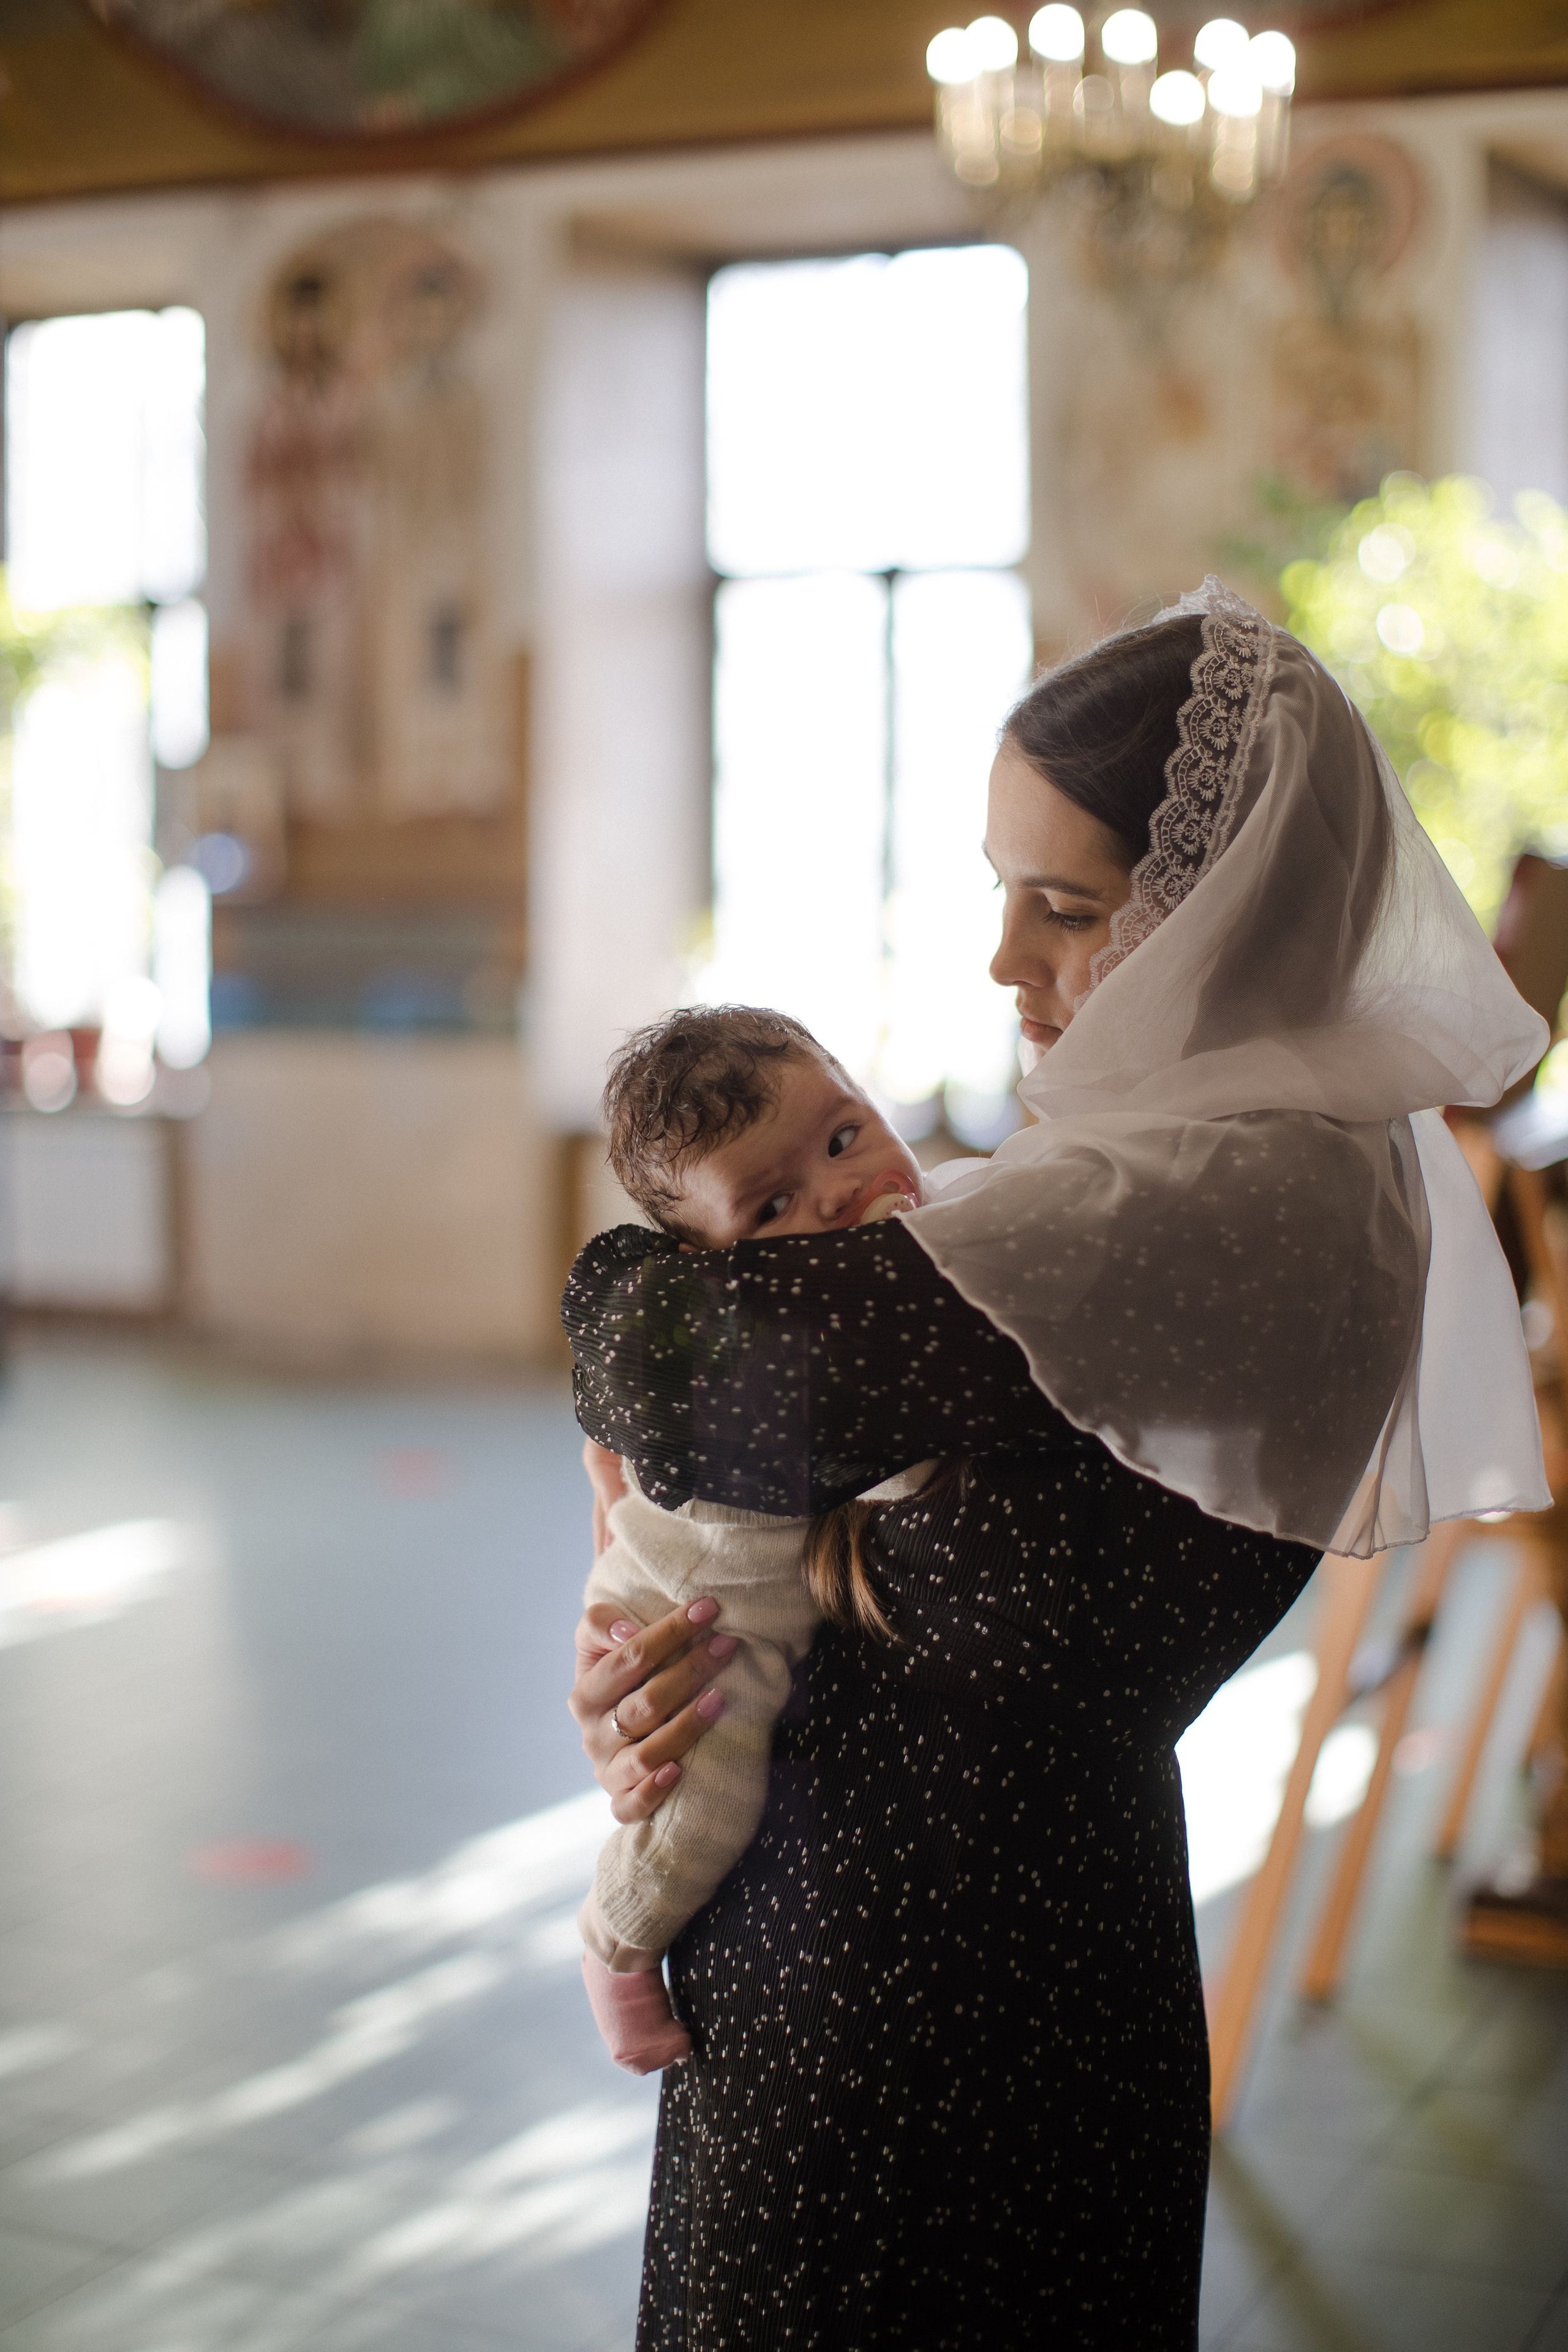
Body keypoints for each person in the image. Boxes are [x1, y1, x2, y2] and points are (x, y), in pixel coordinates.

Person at [564, 581, 1548, 2351]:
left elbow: (654, 1353)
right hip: (955, 1977)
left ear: (1226, 911)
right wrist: (671, 1610)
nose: (1006, 963)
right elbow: (724, 1437)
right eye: (1000, 894)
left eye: (1067, 909)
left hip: (925, 2041)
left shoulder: (1186, 1200)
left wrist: (705, 1547)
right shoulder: (1219, 1158)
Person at [579, 1005, 930, 2075]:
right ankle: (614, 1940)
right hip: (702, 1618)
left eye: (844, 1135)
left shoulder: (928, 1242)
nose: (837, 1190)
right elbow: (908, 1465)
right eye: (773, 1205)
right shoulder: (791, 1336)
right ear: (710, 1266)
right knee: (706, 1806)